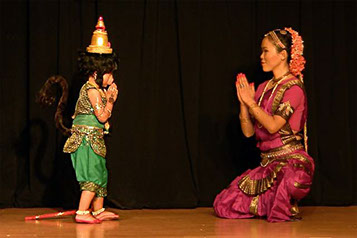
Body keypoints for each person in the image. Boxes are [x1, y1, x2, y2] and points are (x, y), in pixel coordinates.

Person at [213, 28, 315, 222]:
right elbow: (249, 132)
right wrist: (244, 105)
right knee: (223, 204)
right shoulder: (263, 88)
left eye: (266, 51)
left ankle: (280, 200)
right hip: (267, 165)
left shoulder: (294, 88)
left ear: (283, 54)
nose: (261, 56)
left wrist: (251, 103)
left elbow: (273, 126)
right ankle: (274, 201)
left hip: (291, 163)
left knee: (292, 181)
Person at [63, 16, 119, 224]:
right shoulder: (92, 92)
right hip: (86, 141)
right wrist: (111, 101)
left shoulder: (98, 90)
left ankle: (98, 209)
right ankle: (82, 212)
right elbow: (102, 115)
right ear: (97, 72)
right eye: (109, 73)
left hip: (95, 139)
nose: (112, 77)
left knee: (101, 173)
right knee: (92, 175)